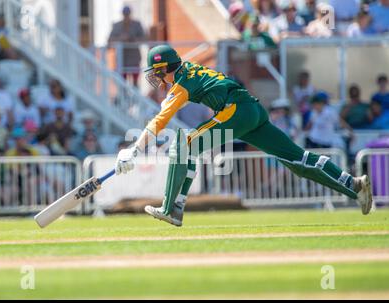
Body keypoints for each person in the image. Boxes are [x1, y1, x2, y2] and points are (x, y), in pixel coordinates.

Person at [114, 45, 373, 227]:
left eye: (157, 73)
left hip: (236, 110)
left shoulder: (181, 85)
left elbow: (161, 120)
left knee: (184, 144)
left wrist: (134, 149)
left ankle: (171, 208)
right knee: (298, 161)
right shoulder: (189, 69)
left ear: (164, 69)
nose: (157, 79)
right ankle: (353, 185)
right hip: (254, 110)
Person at [108, 5, 146, 87]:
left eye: (127, 14)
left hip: (134, 58)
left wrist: (132, 39)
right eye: (125, 14)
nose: (126, 16)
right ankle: (124, 98)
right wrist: (121, 38)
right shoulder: (117, 25)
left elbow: (144, 39)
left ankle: (135, 99)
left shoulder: (137, 24)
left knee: (135, 83)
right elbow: (110, 41)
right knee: (122, 83)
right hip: (122, 59)